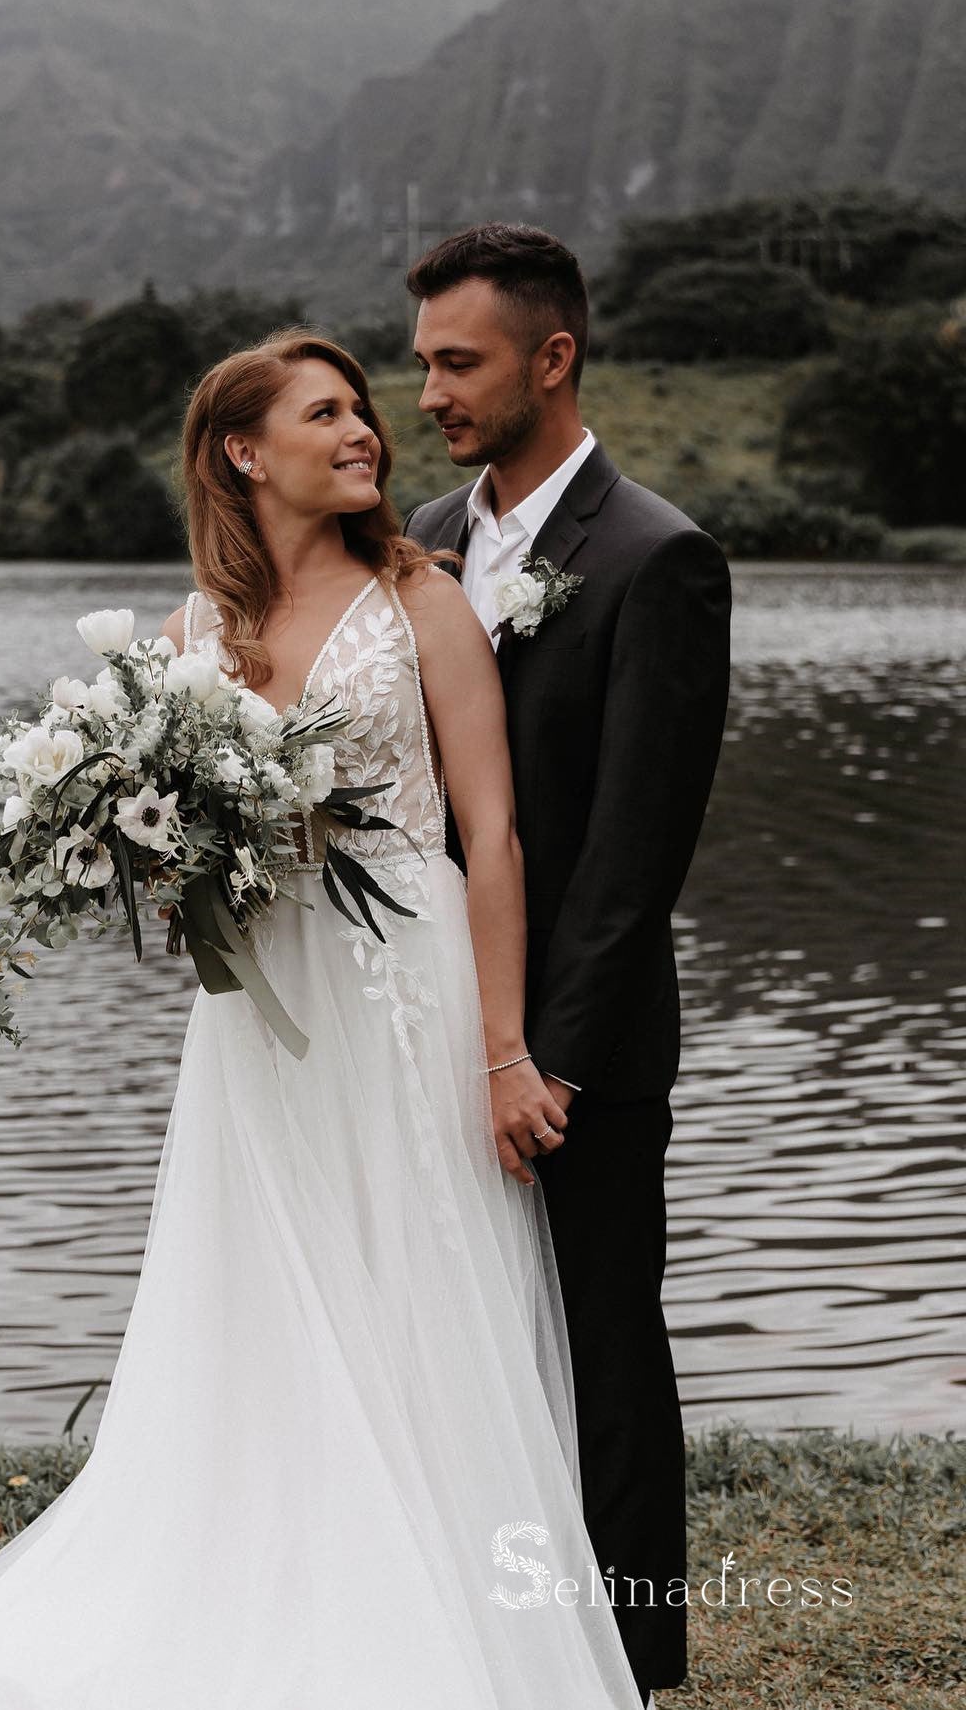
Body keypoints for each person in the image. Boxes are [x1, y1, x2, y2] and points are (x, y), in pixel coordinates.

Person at [0, 331, 642, 1709]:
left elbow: (495, 835)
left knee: (425, 1285)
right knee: (273, 1298)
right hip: (263, 1013)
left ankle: (448, 1613)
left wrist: (506, 1050)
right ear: (242, 451)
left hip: (408, 988)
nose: (365, 431)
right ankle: (276, 1589)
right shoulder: (191, 639)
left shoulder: (422, 602)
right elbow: (166, 865)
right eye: (326, 413)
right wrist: (150, 851)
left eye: (362, 409)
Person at [404, 223, 733, 1705]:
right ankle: (484, 1636)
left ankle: (638, 1664)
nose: (428, 394)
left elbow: (633, 858)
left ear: (553, 357)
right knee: (464, 1340)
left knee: (605, 1346)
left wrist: (547, 1060)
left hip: (580, 1047)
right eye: (421, 363)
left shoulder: (660, 559)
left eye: (458, 363)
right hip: (433, 1019)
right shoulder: (419, 533)